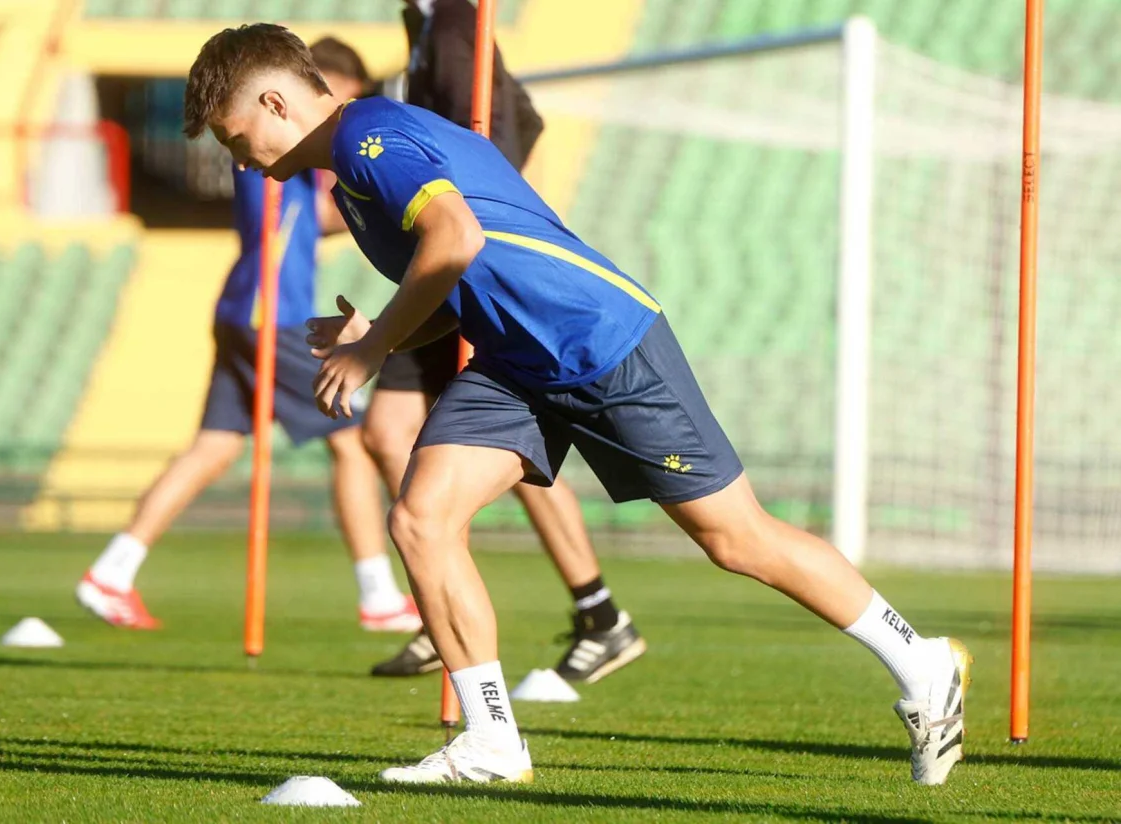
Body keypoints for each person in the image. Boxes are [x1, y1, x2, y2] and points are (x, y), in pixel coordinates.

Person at [183, 23, 971, 788]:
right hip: (516, 362)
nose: (239, 162)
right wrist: (379, 331)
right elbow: (466, 275)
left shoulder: (367, 142)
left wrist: (373, 345)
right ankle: (491, 742)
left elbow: (453, 238)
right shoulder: (357, 169)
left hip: (597, 339)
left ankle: (921, 662)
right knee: (422, 518)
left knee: (736, 539)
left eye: (233, 136)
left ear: (278, 105)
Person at [314, 21, 647, 684]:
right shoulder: (423, 26)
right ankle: (470, 594)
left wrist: (479, 196)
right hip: (430, 268)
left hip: (456, 266)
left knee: (506, 447)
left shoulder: (457, 28)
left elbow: (510, 119)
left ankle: (592, 609)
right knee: (393, 438)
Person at [75, 158, 420, 635]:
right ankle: (379, 595)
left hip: (246, 312)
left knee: (214, 447)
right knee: (352, 440)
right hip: (272, 316)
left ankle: (112, 572)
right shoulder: (276, 152)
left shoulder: (295, 174)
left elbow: (321, 218)